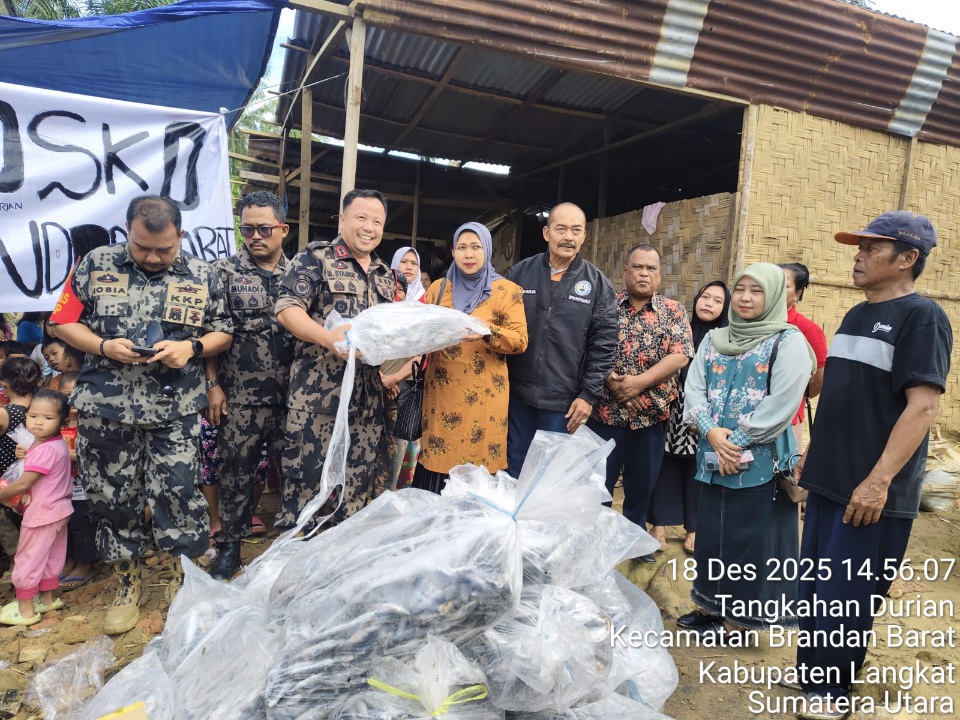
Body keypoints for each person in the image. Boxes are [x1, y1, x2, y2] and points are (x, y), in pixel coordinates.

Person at [793, 212, 952, 720]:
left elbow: (923, 407)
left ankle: (832, 694)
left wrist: (879, 480)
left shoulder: (922, 316)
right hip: (829, 481)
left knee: (848, 593)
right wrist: (809, 462)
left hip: (870, 493)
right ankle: (812, 675)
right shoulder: (855, 315)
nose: (857, 255)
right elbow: (841, 399)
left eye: (871, 248)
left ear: (907, 259)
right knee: (816, 586)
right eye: (858, 246)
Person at [53, 194, 233, 635]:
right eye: (142, 247)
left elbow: (224, 331)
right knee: (113, 499)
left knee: (178, 492)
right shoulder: (96, 263)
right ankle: (127, 582)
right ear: (128, 232)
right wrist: (100, 346)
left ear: (181, 237)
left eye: (164, 249)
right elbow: (62, 322)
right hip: (107, 409)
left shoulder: (202, 273)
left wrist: (190, 348)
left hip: (175, 410)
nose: (153, 257)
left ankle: (177, 576)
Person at [679, 263, 813, 641]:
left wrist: (733, 441)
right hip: (713, 454)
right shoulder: (715, 339)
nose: (745, 298)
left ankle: (741, 621)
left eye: (757, 291)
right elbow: (695, 389)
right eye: (741, 289)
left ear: (772, 297)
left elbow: (782, 404)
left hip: (761, 461)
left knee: (752, 540)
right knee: (713, 534)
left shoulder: (789, 342)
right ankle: (710, 605)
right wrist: (712, 433)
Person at [275, 189, 397, 526]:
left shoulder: (386, 275)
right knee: (307, 485)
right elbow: (287, 309)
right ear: (342, 219)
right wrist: (328, 338)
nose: (369, 227)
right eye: (361, 218)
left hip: (366, 403)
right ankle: (299, 568)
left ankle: (339, 566)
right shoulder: (315, 259)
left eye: (377, 221)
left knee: (355, 488)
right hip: (318, 400)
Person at [205, 191, 295, 581]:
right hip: (239, 396)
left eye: (264, 228)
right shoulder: (222, 272)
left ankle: (294, 546)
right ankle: (229, 548)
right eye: (247, 229)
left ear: (283, 229)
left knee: (292, 472)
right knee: (236, 472)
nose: (255, 236)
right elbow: (211, 330)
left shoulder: (300, 274)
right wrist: (212, 385)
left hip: (293, 397)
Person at [587, 245, 694, 562]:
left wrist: (638, 384)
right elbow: (588, 344)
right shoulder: (605, 306)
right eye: (637, 267)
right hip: (604, 414)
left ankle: (633, 543)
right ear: (625, 271)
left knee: (641, 484)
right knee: (599, 485)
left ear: (659, 274)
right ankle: (595, 544)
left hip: (650, 418)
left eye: (650, 268)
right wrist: (611, 378)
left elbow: (680, 355)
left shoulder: (672, 311)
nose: (644, 273)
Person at [504, 202, 617, 477]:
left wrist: (588, 395)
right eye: (561, 228)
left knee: (550, 476)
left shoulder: (597, 284)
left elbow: (604, 344)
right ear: (546, 233)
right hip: (516, 397)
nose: (568, 236)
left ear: (584, 236)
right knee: (512, 467)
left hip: (563, 403)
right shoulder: (519, 274)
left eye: (576, 230)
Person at [413, 222, 528, 492]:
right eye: (462, 247)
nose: (469, 254)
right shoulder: (438, 289)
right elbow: (418, 333)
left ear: (487, 250)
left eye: (476, 247)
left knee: (478, 471)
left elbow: (520, 341)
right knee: (438, 469)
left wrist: (487, 330)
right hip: (441, 398)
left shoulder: (507, 291)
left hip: (484, 402)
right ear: (453, 252)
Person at [649, 280, 730, 555]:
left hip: (706, 415)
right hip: (671, 408)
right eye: (705, 297)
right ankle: (657, 524)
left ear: (725, 308)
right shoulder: (679, 328)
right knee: (663, 464)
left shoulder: (726, 339)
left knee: (698, 470)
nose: (708, 303)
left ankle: (693, 529)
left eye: (717, 300)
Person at [0, 390, 73, 626]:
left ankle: (25, 611)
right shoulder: (56, 444)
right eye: (33, 416)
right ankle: (47, 599)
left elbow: (24, 482)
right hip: (59, 510)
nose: (38, 422)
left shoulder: (44, 450)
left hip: (41, 514)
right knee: (51, 555)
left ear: (62, 421)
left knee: (28, 559)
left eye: (47, 418)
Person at [778, 263, 827, 449]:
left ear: (797, 293)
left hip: (787, 418)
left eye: (784, 286)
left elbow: (819, 377)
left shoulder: (807, 329)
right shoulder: (748, 324)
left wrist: (794, 396)